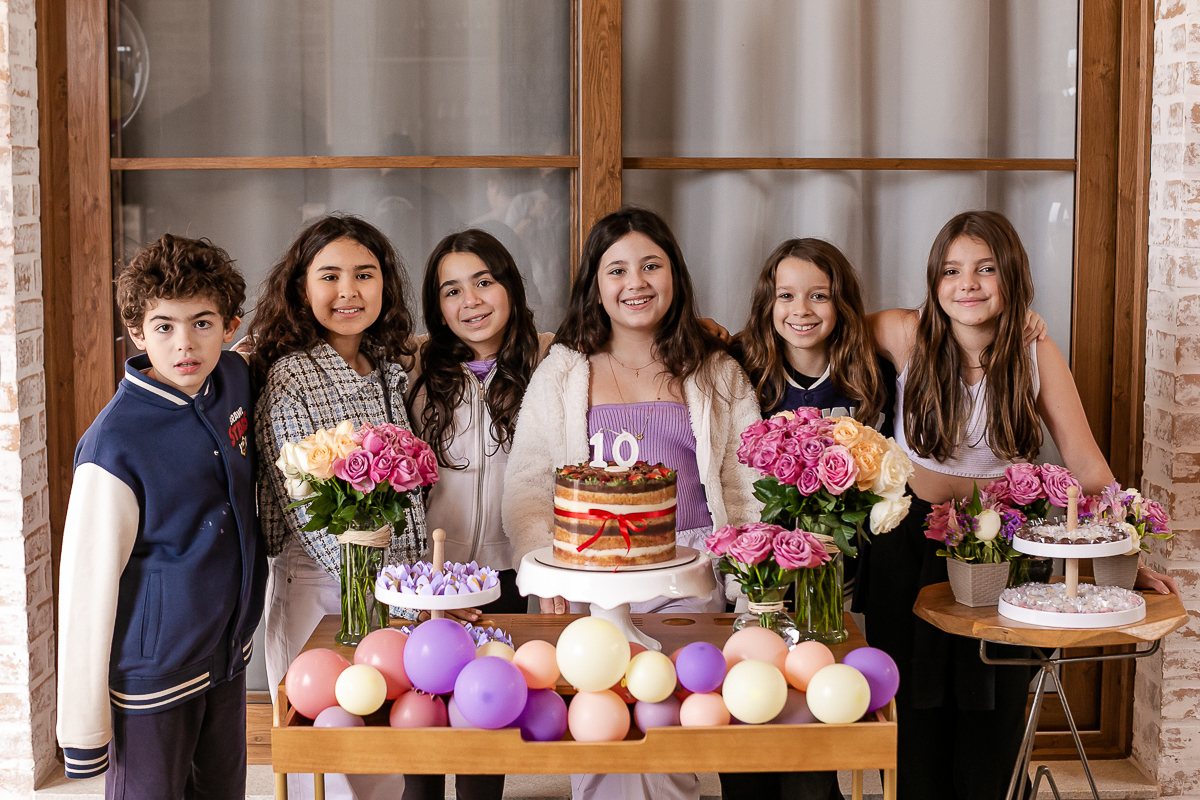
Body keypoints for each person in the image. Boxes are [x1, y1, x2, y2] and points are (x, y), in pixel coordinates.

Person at [862, 210, 1179, 800]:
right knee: (912, 711)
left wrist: (1124, 557)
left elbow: (1088, 468)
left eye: (986, 269)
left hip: (1004, 551)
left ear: (1012, 277)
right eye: (951, 270)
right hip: (910, 546)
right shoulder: (903, 332)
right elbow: (819, 324)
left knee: (994, 709)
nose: (968, 284)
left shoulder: (1035, 351)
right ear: (934, 280)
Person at [503, 206, 761, 800]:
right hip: (589, 576)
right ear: (595, 285)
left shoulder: (717, 371)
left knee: (665, 722)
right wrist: (542, 565)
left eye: (651, 265)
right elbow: (529, 482)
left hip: (687, 571)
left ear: (675, 275)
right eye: (616, 270)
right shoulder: (563, 371)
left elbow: (745, 483)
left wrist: (749, 578)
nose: (635, 283)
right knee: (600, 724)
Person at [56, 235, 267, 799]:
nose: (185, 345)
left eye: (202, 323)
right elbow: (85, 589)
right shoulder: (113, 445)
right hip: (152, 677)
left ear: (230, 327)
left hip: (226, 656)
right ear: (137, 333)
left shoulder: (233, 378)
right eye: (164, 327)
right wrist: (84, 733)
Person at [249, 214, 447, 800]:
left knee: (380, 755)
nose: (348, 292)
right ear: (301, 287)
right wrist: (388, 595)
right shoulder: (292, 377)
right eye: (329, 276)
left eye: (364, 274)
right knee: (333, 760)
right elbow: (308, 514)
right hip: (326, 586)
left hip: (391, 586)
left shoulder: (385, 368)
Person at [724, 238, 897, 800]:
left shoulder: (872, 372)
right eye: (786, 296)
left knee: (817, 701)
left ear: (841, 303)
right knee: (752, 698)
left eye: (818, 295)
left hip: (838, 574)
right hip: (760, 574)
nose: (801, 310)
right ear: (767, 303)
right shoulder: (741, 369)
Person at [404, 230, 554, 799]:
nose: (470, 301)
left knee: (486, 708)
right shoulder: (416, 367)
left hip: (506, 570)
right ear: (437, 307)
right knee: (421, 708)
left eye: (484, 282)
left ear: (509, 286)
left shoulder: (548, 363)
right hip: (427, 573)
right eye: (451, 291)